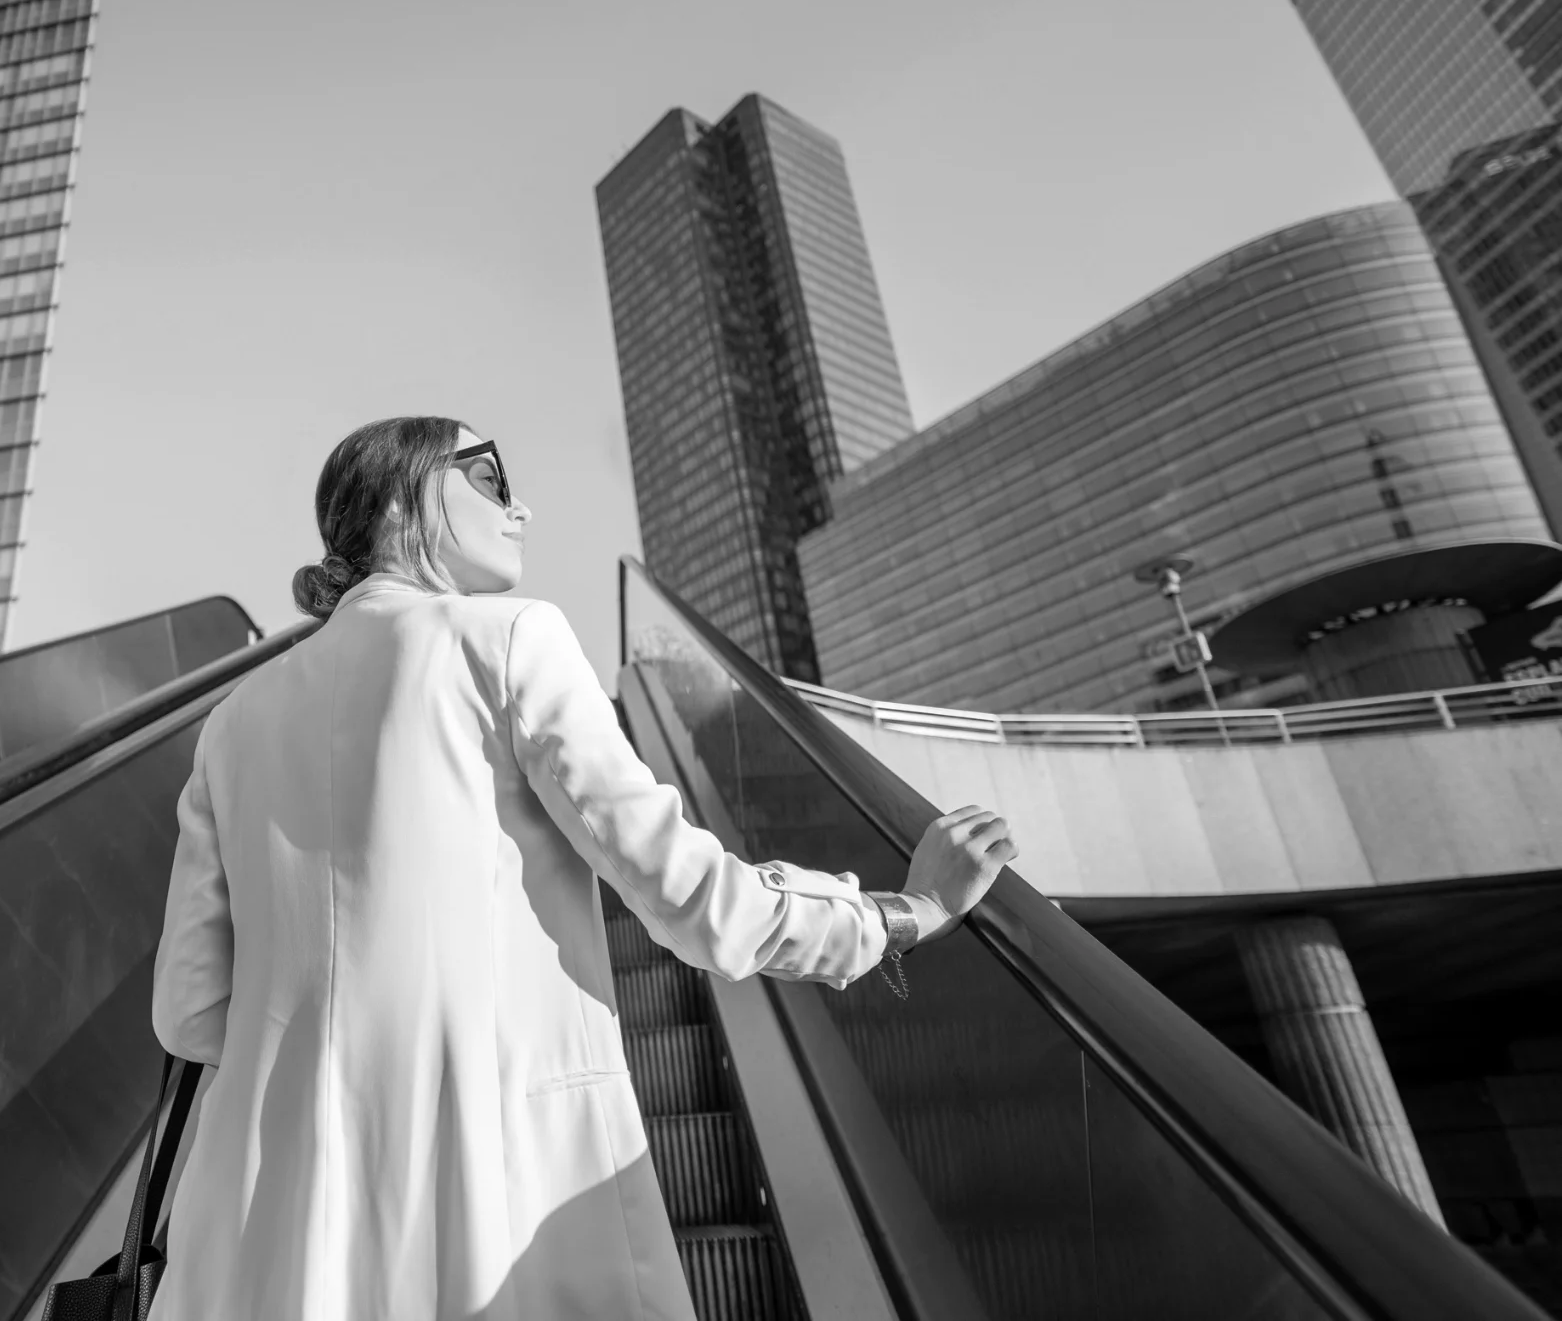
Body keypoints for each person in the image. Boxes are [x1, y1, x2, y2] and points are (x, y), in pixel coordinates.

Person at [148, 416, 1015, 1320]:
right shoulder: (510, 638)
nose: (520, 505)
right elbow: (696, 900)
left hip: (250, 1246)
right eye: (486, 472)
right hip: (485, 1218)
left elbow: (189, 1009)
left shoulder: (231, 725)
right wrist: (901, 914)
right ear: (405, 498)